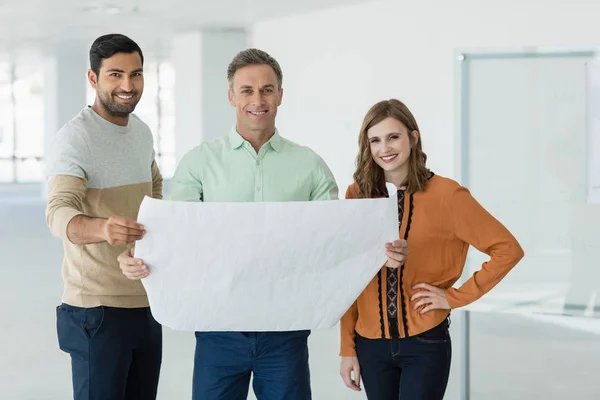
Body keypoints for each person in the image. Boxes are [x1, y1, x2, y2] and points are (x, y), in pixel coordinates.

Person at [117, 49, 408, 400]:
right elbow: (175, 234)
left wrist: (380, 248)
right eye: (247, 90)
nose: (258, 100)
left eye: (267, 90)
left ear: (280, 96)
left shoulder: (310, 166)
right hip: (218, 330)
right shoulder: (199, 163)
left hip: (285, 332)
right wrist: (137, 255)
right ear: (231, 96)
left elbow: (333, 243)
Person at [339, 99, 525, 399]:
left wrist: (454, 296)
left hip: (424, 343)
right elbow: (349, 275)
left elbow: (507, 249)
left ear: (413, 138)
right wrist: (347, 347)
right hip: (369, 345)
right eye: (375, 140)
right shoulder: (356, 195)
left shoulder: (448, 195)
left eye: (393, 137)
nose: (384, 148)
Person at [45, 33, 163, 400]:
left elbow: (155, 188)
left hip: (146, 302)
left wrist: (150, 241)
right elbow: (58, 212)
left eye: (136, 74)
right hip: (95, 311)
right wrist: (103, 228)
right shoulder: (75, 138)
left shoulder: (141, 131)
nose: (128, 85)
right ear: (93, 79)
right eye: (115, 74)